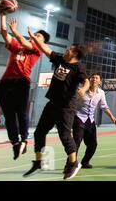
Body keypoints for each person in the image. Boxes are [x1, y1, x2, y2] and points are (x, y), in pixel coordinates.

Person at [23, 28, 90, 180]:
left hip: (66, 106)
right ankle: (39, 161)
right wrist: (34, 38)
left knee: (65, 135)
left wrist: (84, 89)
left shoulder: (78, 67)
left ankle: (74, 163)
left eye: (69, 49)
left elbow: (86, 80)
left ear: (75, 54)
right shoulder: (60, 59)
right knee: (39, 133)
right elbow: (45, 49)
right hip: (52, 104)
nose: (66, 50)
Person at [0, 12, 50, 160]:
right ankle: (15, 143)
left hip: (21, 82)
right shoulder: (16, 46)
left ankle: (24, 140)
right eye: (36, 35)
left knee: (21, 112)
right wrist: (2, 15)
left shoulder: (36, 50)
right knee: (8, 116)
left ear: (42, 42)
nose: (35, 36)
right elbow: (3, 32)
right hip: (5, 82)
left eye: (39, 36)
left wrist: (16, 31)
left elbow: (24, 40)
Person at [73, 73, 116, 169]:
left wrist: (111, 116)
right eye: (92, 77)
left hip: (90, 120)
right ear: (89, 80)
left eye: (96, 78)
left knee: (93, 144)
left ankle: (85, 162)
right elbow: (72, 103)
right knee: (76, 142)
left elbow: (104, 106)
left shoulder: (101, 93)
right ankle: (71, 164)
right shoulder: (82, 90)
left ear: (100, 81)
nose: (94, 79)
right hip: (79, 118)